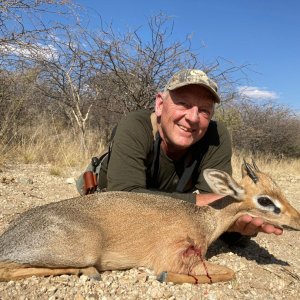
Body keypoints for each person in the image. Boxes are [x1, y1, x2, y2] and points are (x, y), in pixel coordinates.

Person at [77, 69, 282, 243]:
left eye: (204, 111)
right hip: (107, 190)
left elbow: (215, 207)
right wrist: (203, 204)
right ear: (159, 104)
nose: (193, 118)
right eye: (183, 104)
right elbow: (124, 198)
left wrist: (235, 226)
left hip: (164, 196)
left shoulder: (216, 135)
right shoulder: (135, 125)